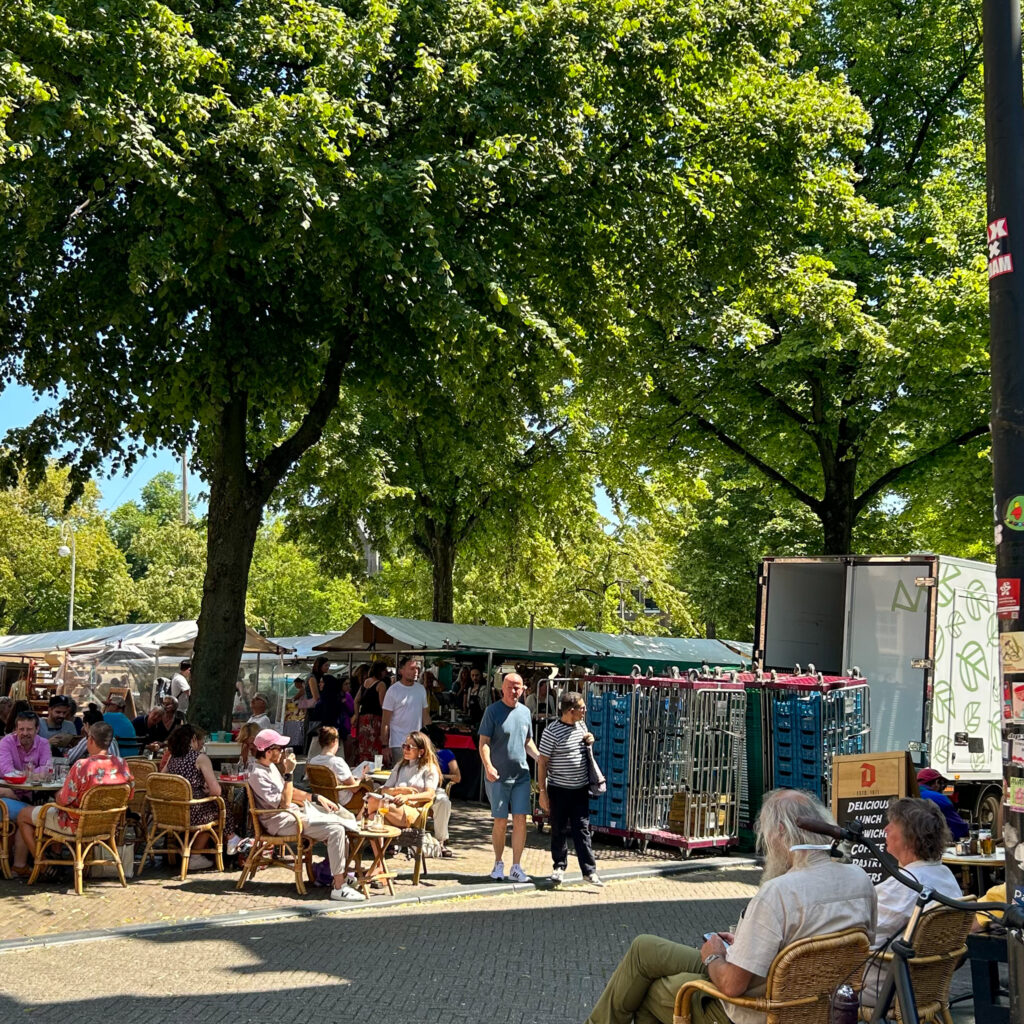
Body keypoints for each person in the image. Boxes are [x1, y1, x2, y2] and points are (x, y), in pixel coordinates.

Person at [585, 788, 877, 1024]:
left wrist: (714, 957)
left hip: (755, 1009)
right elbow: (853, 947)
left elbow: (732, 986)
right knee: (644, 947)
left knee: (657, 990)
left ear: (779, 833)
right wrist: (746, 943)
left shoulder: (779, 892)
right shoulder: (860, 880)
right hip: (815, 1004)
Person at [861, 797, 961, 1008]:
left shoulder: (904, 886)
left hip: (887, 987)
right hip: (930, 985)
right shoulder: (945, 875)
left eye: (893, 825)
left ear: (911, 838)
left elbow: (864, 937)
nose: (885, 829)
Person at [247, 727, 366, 902]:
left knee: (341, 821)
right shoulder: (257, 773)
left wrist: (316, 798)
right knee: (335, 830)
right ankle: (339, 887)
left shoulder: (271, 767)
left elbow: (292, 792)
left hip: (292, 815)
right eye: (279, 748)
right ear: (268, 751)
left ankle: (335, 875)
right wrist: (288, 773)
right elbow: (284, 803)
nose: (282, 752)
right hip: (279, 821)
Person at [13, 721, 133, 877]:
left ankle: (41, 863)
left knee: (24, 815)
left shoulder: (82, 766)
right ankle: (55, 855)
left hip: (76, 824)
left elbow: (63, 800)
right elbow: (129, 794)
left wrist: (56, 794)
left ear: (90, 740)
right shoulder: (122, 764)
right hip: (107, 824)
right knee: (49, 810)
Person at [478, 672, 540, 883]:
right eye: (510, 687)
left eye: (518, 687)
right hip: (498, 776)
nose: (514, 691)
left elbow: (527, 741)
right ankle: (498, 863)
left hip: (521, 775)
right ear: (502, 688)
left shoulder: (525, 712)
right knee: (501, 820)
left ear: (523, 690)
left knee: (521, 819)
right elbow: (483, 742)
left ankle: (516, 867)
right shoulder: (492, 711)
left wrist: (539, 758)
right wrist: (488, 766)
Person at [537, 690, 601, 886]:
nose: (585, 711)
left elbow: (585, 741)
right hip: (559, 789)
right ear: (570, 711)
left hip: (580, 789)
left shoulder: (581, 725)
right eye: (582, 708)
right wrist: (542, 792)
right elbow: (542, 762)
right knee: (558, 829)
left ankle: (588, 871)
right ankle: (559, 866)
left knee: (582, 829)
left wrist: (590, 738)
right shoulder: (551, 732)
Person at [163, 723, 242, 866]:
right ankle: (200, 852)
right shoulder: (200, 758)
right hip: (194, 811)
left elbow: (161, 779)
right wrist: (207, 791)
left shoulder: (172, 758)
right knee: (220, 801)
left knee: (214, 803)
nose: (202, 744)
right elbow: (216, 790)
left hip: (173, 810)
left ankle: (230, 838)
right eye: (201, 740)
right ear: (193, 739)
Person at [366, 730, 440, 830]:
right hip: (394, 807)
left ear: (421, 752)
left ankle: (358, 825)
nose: (405, 749)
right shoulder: (400, 766)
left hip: (414, 811)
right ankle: (382, 845)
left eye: (409, 747)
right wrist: (400, 791)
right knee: (373, 816)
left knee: (373, 803)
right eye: (404, 746)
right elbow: (384, 790)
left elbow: (430, 794)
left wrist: (407, 797)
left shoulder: (429, 768)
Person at [381, 656, 430, 766]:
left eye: (417, 669)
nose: (416, 671)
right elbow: (385, 721)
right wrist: (385, 745)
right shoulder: (393, 691)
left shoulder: (421, 689)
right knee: (400, 776)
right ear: (401, 671)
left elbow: (425, 716)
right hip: (399, 743)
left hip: (417, 742)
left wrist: (429, 739)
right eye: (412, 669)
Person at [307, 725, 366, 807]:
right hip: (343, 801)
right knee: (372, 787)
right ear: (334, 741)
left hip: (322, 799)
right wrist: (362, 777)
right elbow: (354, 788)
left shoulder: (312, 761)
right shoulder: (337, 762)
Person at [425, 724, 460, 856]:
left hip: (436, 788)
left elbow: (457, 777)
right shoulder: (418, 753)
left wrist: (438, 775)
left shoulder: (446, 754)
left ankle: (441, 841)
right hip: (418, 787)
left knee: (443, 801)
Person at [915, 768, 969, 839]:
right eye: (942, 783)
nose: (942, 787)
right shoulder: (939, 798)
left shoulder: (908, 794)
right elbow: (959, 828)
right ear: (937, 782)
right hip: (931, 843)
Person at [353, 662, 387, 762]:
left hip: (363, 719)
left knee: (363, 745)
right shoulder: (381, 684)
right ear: (380, 671)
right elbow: (382, 704)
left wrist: (357, 715)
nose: (386, 673)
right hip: (375, 719)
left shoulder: (366, 682)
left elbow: (356, 700)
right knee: (375, 745)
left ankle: (363, 764)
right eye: (384, 670)